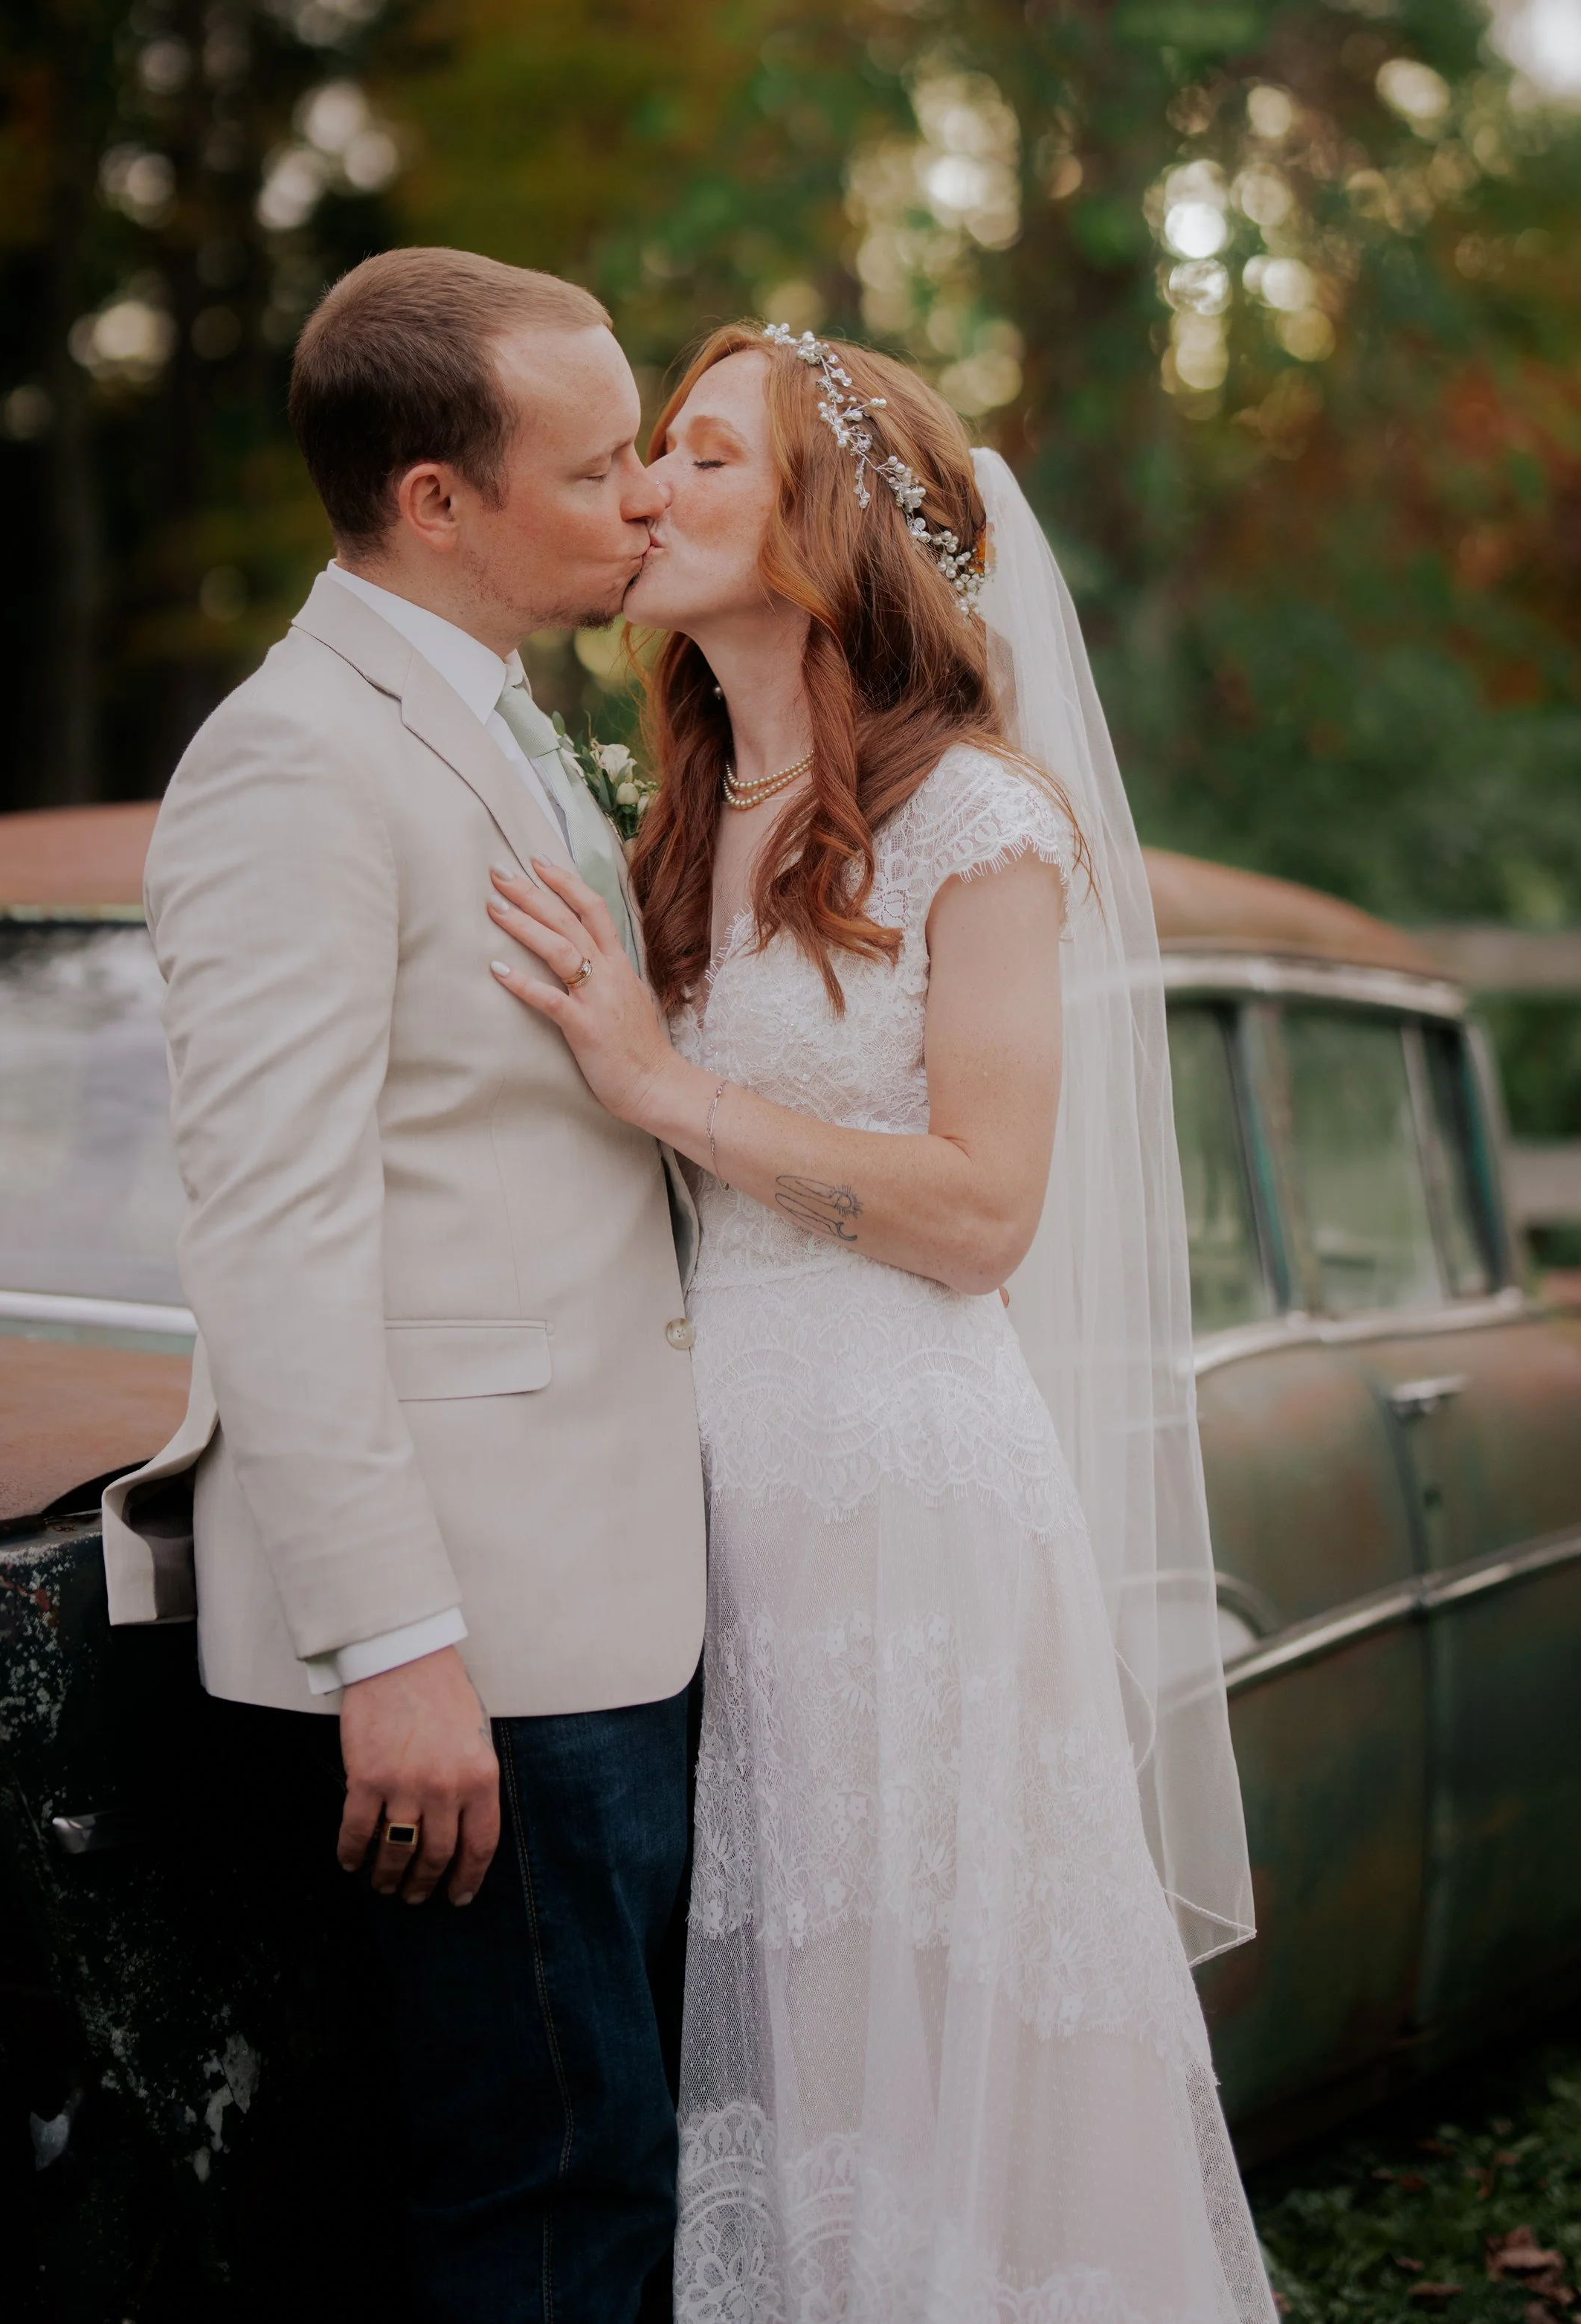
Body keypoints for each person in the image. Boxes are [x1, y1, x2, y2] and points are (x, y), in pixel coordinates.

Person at [487, 322, 1278, 2321]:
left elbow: (983, 1207)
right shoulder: (662, 817)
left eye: (700, 455)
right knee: (762, 2036)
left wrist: (665, 1090)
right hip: (691, 1508)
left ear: (824, 529)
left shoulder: (975, 821)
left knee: (913, 2028)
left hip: (898, 1503)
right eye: (642, 451)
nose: (644, 486)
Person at [99, 248, 708, 2322]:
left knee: (608, 2161)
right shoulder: (295, 767)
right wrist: (397, 1643)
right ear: (435, 499)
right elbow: (270, 1228)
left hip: (613, 1585)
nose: (644, 497)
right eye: (598, 460)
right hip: (481, 1642)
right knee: (550, 2197)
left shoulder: (513, 727)